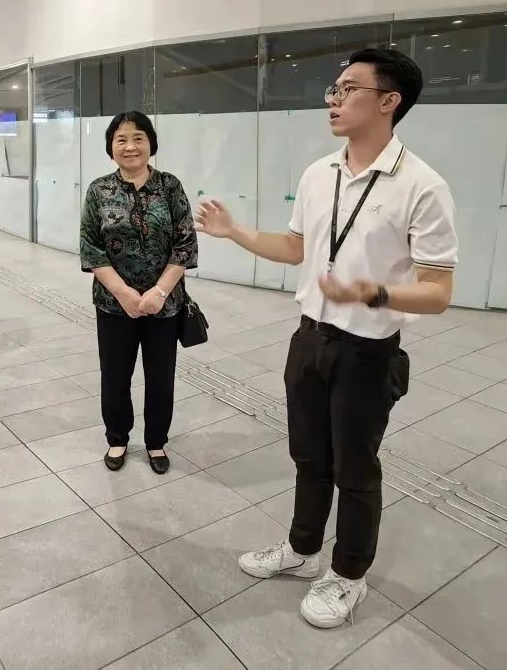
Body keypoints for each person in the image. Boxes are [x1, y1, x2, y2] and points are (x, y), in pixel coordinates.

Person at [196, 46, 457, 630]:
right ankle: (302, 549)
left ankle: (348, 575)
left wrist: (376, 293)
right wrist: (235, 231)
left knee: (355, 470)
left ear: (389, 101)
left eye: (348, 89)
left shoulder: (422, 185)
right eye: (333, 90)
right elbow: (296, 249)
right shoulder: (320, 173)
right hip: (309, 338)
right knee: (308, 456)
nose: (333, 101)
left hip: (368, 351)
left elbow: (439, 290)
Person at [79, 111, 197, 476]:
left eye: (138, 138)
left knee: (161, 377)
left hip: (165, 304)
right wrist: (124, 294)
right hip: (113, 305)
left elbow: (185, 244)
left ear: (150, 143)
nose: (130, 146)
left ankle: (156, 441)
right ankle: (117, 437)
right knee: (115, 376)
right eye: (121, 139)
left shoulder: (170, 186)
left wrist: (159, 292)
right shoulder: (98, 190)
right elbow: (91, 248)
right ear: (111, 147)